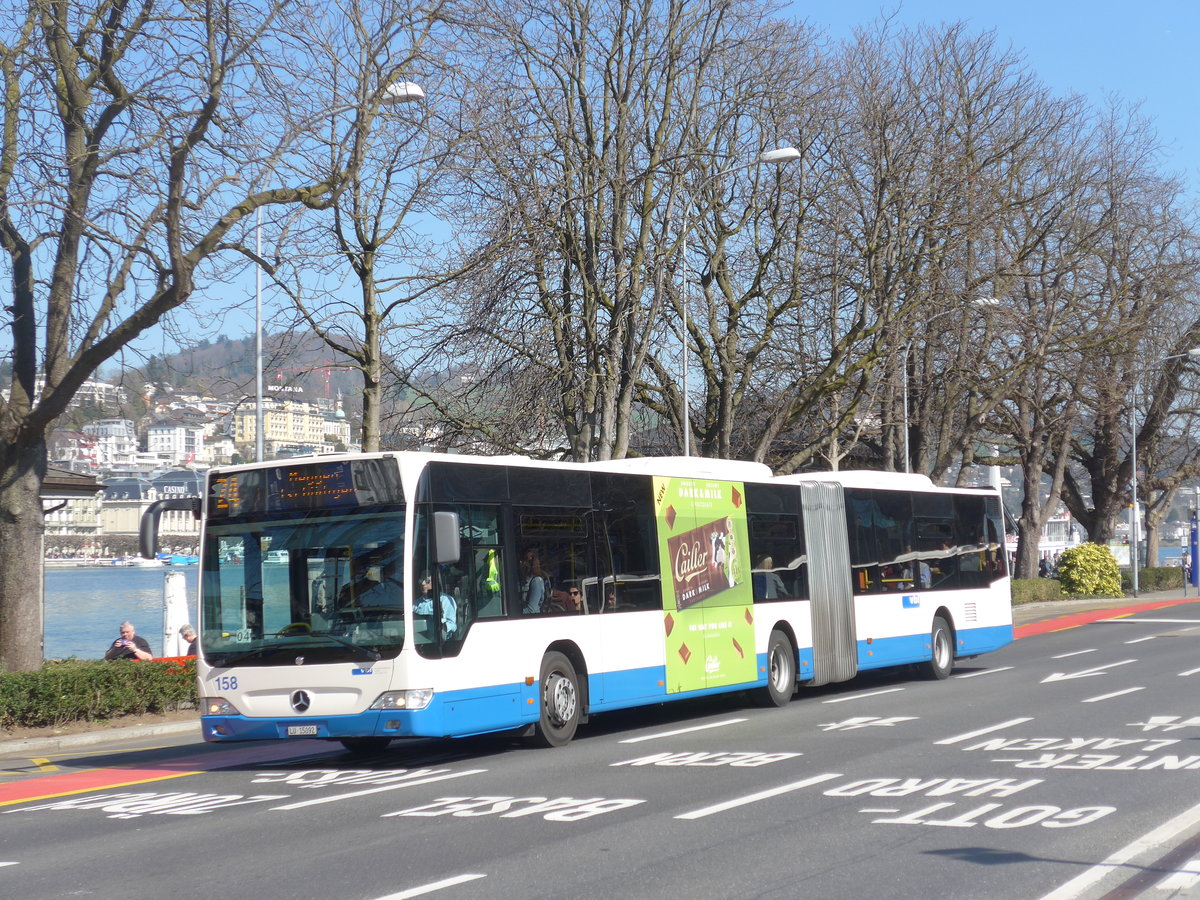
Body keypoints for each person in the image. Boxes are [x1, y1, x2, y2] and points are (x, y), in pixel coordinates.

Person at [415, 571, 457, 636]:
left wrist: (442, 628)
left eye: (427, 580)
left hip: (439, 641)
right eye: (421, 580)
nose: (423, 583)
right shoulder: (415, 604)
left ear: (435, 582)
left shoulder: (445, 600)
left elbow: (452, 624)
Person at [519, 548, 546, 614]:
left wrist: (514, 612)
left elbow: (531, 610)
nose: (520, 562)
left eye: (523, 560)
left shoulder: (536, 581)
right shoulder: (524, 580)